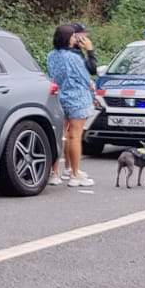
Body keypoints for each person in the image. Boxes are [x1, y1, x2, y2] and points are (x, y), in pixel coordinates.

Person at [46, 22, 98, 188]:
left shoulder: (51, 55)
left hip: (59, 96)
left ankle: (55, 173)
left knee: (60, 136)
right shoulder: (75, 57)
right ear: (69, 39)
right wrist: (89, 50)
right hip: (77, 98)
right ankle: (74, 174)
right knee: (74, 136)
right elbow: (89, 72)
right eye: (74, 36)